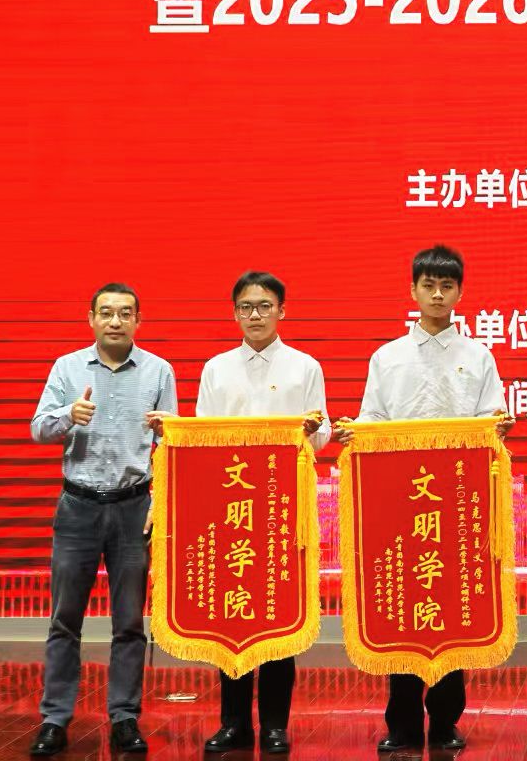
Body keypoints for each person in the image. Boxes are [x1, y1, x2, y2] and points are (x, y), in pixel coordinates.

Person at [339, 244, 511, 755]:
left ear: (460, 292)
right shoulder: (387, 357)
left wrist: (497, 426)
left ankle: (446, 721)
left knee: (452, 606)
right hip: (400, 505)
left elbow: (491, 417)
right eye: (428, 285)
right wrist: (357, 433)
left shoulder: (478, 356)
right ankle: (402, 722)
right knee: (401, 606)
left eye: (447, 286)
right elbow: (373, 418)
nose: (437, 295)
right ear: (412, 290)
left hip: (456, 504)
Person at [27, 283, 177, 757]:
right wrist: (68, 415)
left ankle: (125, 717)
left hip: (134, 508)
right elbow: (38, 429)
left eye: (125, 313)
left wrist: (159, 491)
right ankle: (55, 719)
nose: (116, 321)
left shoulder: (159, 370)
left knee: (129, 621)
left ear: (138, 321)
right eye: (106, 312)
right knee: (64, 619)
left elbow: (170, 444)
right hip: (79, 507)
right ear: (90, 318)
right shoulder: (67, 367)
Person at [196, 271, 329, 756]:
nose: (255, 315)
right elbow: (203, 438)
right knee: (231, 617)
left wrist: (311, 430)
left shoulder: (304, 366)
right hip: (231, 511)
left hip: (282, 509)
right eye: (246, 307)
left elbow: (322, 437)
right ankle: (233, 723)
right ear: (235, 313)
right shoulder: (216, 369)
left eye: (265, 306)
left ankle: (275, 724)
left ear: (281, 311)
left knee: (279, 617)